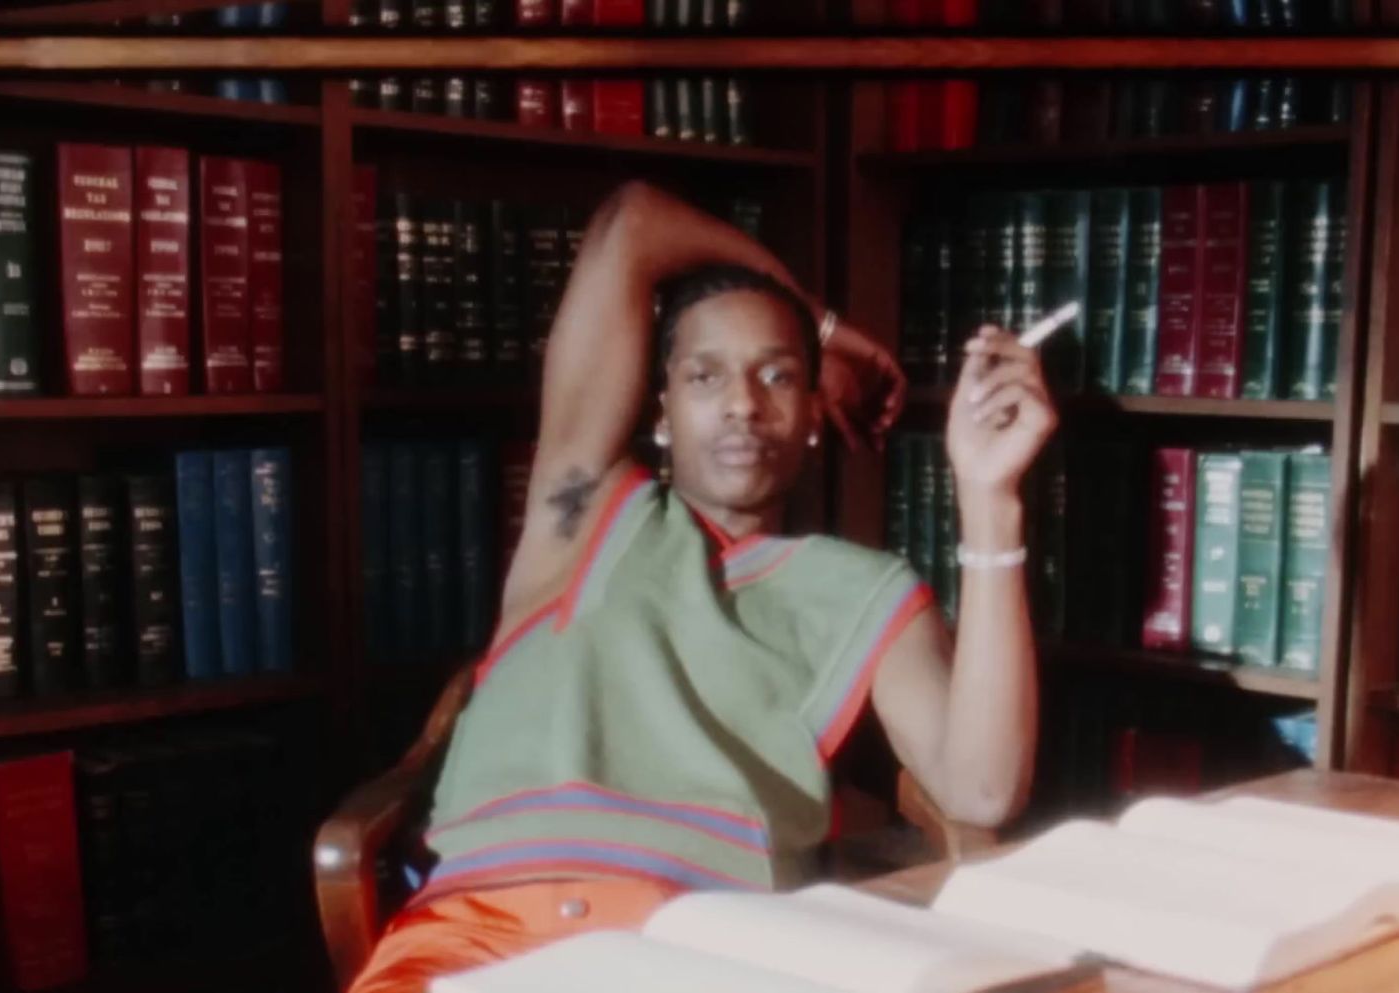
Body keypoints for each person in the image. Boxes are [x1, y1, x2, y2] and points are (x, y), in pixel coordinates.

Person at [348, 181, 1058, 993]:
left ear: (814, 414)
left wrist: (988, 496)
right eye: (705, 377)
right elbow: (628, 224)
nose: (743, 406)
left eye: (778, 376)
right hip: (481, 936)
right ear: (661, 410)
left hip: (699, 943)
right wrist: (815, 321)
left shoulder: (863, 591)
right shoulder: (579, 512)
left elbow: (984, 785)